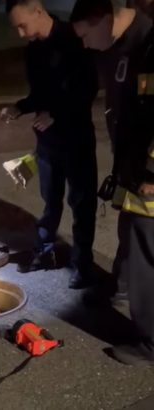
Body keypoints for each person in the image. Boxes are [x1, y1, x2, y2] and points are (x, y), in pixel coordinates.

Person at [71, 0, 154, 365]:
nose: (85, 45)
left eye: (86, 35)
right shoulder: (123, 46)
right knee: (128, 237)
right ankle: (120, 292)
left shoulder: (150, 45)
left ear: (105, 18)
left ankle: (151, 344)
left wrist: (152, 173)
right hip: (132, 170)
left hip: (149, 177)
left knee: (146, 257)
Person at [1, 0, 99, 289]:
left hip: (76, 138)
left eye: (22, 25)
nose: (21, 33)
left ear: (38, 12)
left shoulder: (74, 39)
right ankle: (44, 252)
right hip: (48, 142)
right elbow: (40, 94)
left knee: (82, 205)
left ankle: (82, 265)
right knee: (50, 201)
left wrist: (54, 114)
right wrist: (21, 107)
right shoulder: (33, 50)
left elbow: (86, 89)